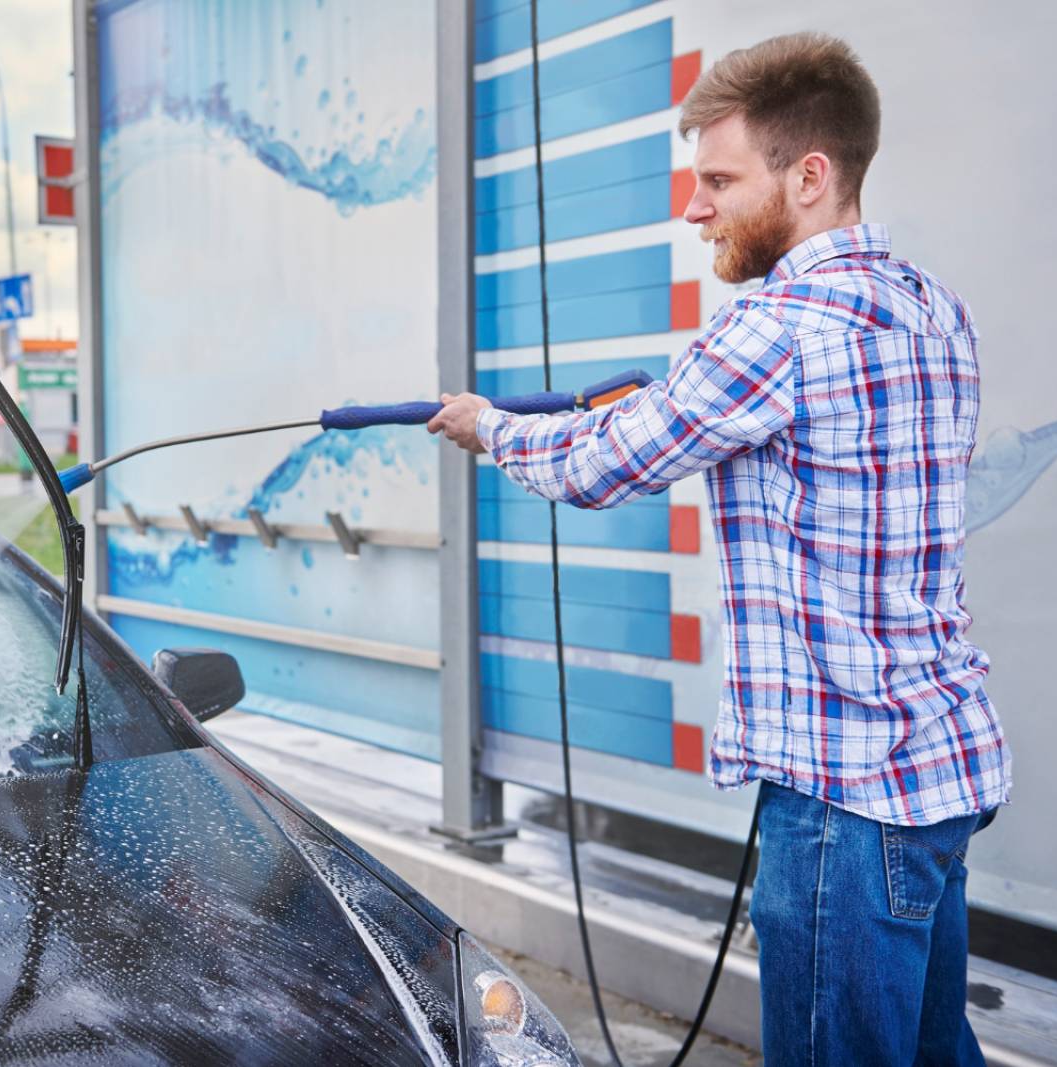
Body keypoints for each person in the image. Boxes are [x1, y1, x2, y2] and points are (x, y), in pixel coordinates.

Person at [428, 32, 1009, 1066]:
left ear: (810, 175)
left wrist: (489, 426)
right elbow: (701, 422)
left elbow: (605, 462)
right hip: (937, 776)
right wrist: (649, 406)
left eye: (717, 180)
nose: (693, 208)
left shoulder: (775, 327)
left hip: (842, 801)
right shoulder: (933, 309)